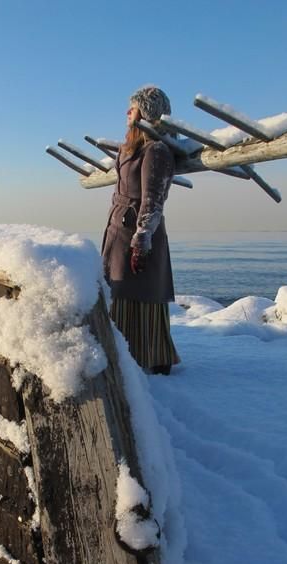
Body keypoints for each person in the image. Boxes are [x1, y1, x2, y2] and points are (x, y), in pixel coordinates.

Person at [101, 85, 180, 375]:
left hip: (135, 234)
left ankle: (150, 358)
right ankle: (123, 355)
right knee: (118, 290)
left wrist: (142, 239)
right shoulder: (131, 148)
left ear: (146, 113)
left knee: (140, 293)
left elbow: (153, 199)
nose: (127, 112)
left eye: (132, 108)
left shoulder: (156, 151)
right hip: (117, 231)